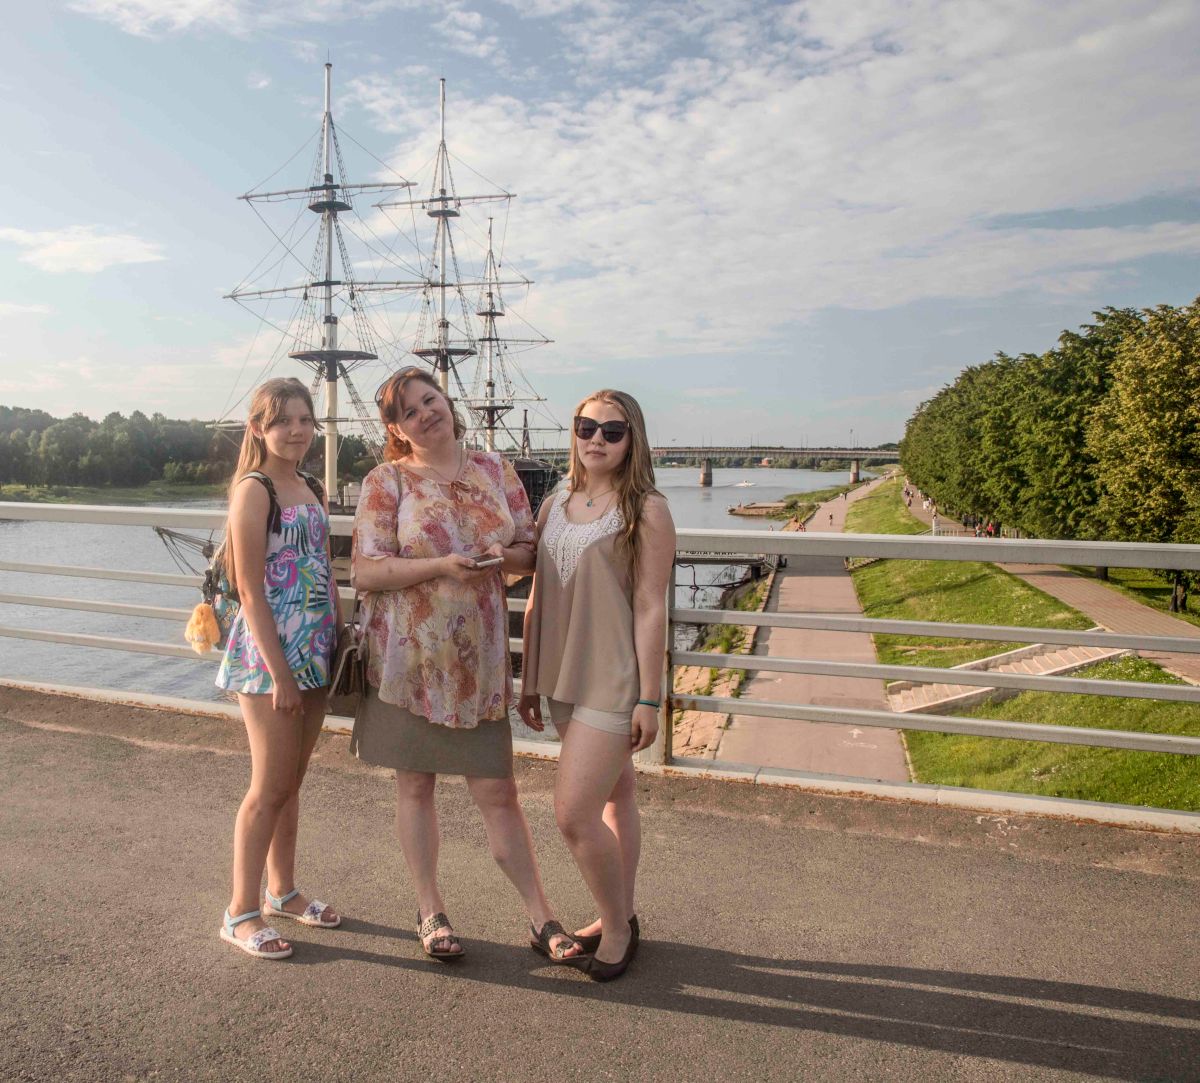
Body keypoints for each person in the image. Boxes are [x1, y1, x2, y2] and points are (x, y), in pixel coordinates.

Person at [351, 367, 580, 964]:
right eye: (408, 411)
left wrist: (503, 556)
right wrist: (440, 566)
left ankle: (541, 917)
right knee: (415, 786)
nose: (425, 413)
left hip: (478, 666)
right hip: (407, 664)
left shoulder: (495, 470)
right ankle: (430, 910)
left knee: (498, 791)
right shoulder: (386, 481)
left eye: (430, 400)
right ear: (397, 430)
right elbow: (366, 571)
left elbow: (530, 550)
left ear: (447, 402)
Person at [519, 389, 676, 982]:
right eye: (587, 427)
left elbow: (651, 606)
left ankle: (616, 928)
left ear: (632, 440)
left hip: (612, 678)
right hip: (561, 672)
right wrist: (528, 677)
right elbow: (537, 592)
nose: (596, 440)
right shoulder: (555, 502)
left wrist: (649, 697)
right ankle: (621, 910)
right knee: (617, 796)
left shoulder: (646, 510)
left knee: (573, 815)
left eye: (612, 431)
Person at [217, 377, 342, 960]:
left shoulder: (311, 486)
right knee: (267, 788)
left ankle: (283, 891)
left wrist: (339, 636)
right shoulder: (255, 489)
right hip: (271, 658)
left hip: (315, 649)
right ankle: (240, 912)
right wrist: (282, 676)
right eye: (283, 421)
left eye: (304, 419)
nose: (296, 430)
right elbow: (249, 590)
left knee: (292, 782)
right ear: (258, 428)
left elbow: (323, 568)